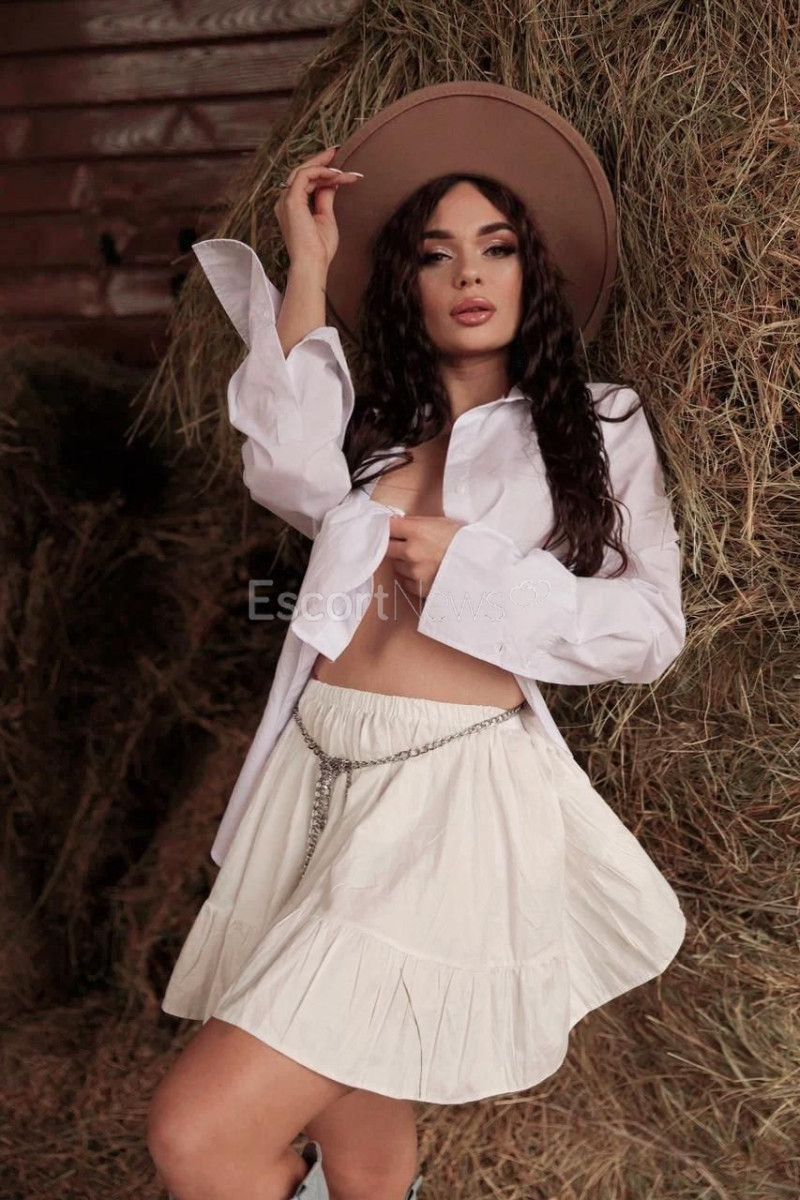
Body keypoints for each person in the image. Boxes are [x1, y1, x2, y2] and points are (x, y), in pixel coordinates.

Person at [147, 86, 686, 1200]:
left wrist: (479, 572)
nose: (468, 274)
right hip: (315, 767)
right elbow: (279, 461)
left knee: (198, 1136)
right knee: (357, 1116)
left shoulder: (601, 424)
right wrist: (307, 265)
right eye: (436, 255)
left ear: (531, 272)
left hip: (448, 792)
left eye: (496, 247)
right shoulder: (369, 428)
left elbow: (649, 629)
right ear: (407, 283)